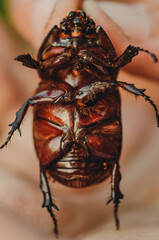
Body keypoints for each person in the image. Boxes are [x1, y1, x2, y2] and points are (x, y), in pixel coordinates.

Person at [0, 0, 159, 239]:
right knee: (32, 104)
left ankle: (114, 208)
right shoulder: (58, 68)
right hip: (66, 154)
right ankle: (51, 210)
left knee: (37, 102)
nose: (76, 39)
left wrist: (137, 48)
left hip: (93, 151)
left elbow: (115, 65)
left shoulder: (104, 74)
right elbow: (38, 65)